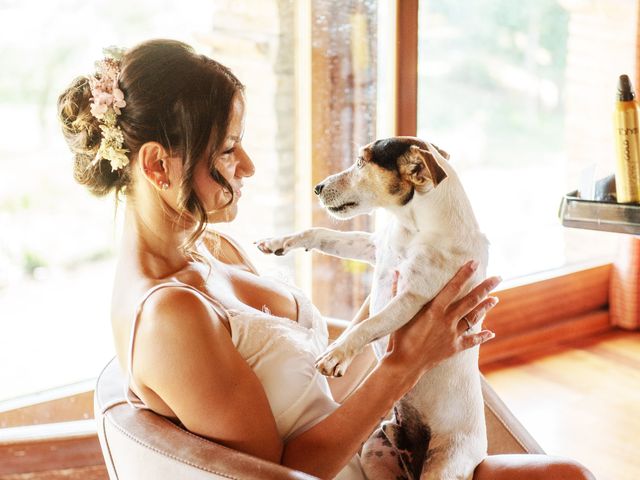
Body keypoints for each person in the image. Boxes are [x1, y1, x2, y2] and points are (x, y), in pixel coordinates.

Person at [58, 39, 594, 480]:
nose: (246, 166)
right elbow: (286, 471)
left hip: (372, 448)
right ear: (157, 165)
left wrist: (418, 303)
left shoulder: (213, 248)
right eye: (226, 149)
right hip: (343, 470)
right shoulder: (171, 319)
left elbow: (321, 383)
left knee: (570, 474)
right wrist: (407, 361)